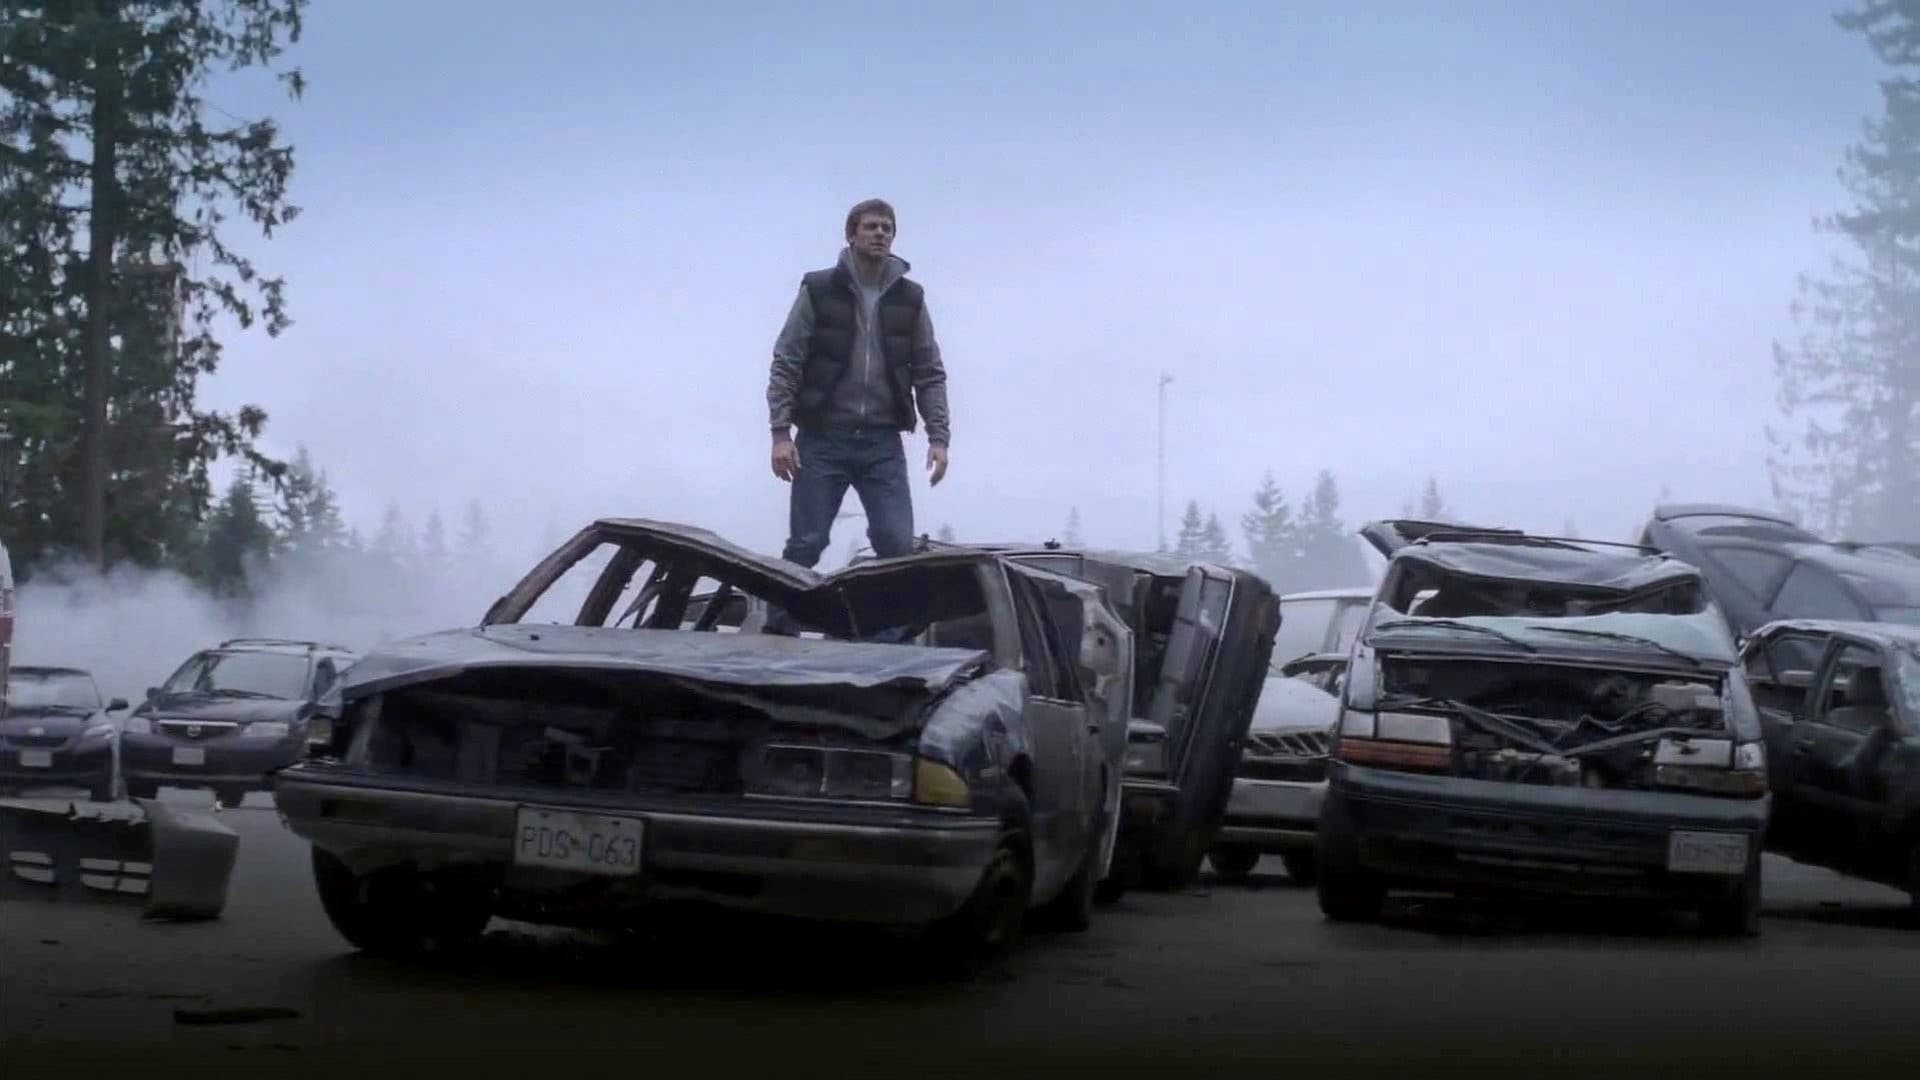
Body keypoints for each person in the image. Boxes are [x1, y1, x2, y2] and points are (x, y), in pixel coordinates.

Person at [765, 197, 950, 572]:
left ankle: (885, 615)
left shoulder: (910, 298)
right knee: (807, 542)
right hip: (822, 438)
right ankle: (777, 611)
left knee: (896, 543)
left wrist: (939, 438)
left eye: (887, 228)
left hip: (882, 443)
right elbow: (787, 360)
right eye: (871, 227)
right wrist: (780, 433)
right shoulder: (819, 289)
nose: (880, 234)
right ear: (851, 235)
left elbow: (929, 371)